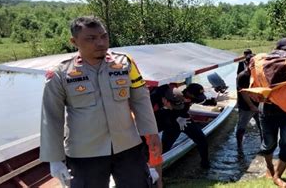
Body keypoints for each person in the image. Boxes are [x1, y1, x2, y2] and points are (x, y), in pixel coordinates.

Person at [40, 16, 162, 188]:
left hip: (128, 147)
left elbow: (141, 99)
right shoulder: (60, 74)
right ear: (74, 41)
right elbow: (51, 118)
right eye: (91, 38)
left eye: (104, 36)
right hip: (85, 154)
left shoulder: (124, 63)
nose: (100, 43)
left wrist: (152, 133)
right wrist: (54, 159)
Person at [260, 37, 286, 188]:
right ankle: (269, 168)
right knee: (268, 144)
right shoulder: (267, 63)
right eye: (285, 52)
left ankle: (277, 176)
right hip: (268, 110)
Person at [159, 83, 211, 169]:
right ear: (189, 93)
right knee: (165, 146)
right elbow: (164, 112)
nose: (195, 98)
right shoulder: (176, 97)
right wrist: (176, 118)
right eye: (195, 96)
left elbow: (201, 100)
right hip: (172, 122)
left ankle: (205, 164)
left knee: (202, 140)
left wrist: (212, 101)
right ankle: (157, 167)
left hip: (185, 120)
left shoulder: (194, 96)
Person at [236, 52, 262, 150]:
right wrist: (252, 106)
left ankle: (264, 144)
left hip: (258, 104)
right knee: (242, 127)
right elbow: (244, 93)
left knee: (262, 126)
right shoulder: (242, 76)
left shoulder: (258, 73)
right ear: (246, 63)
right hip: (246, 106)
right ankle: (239, 145)